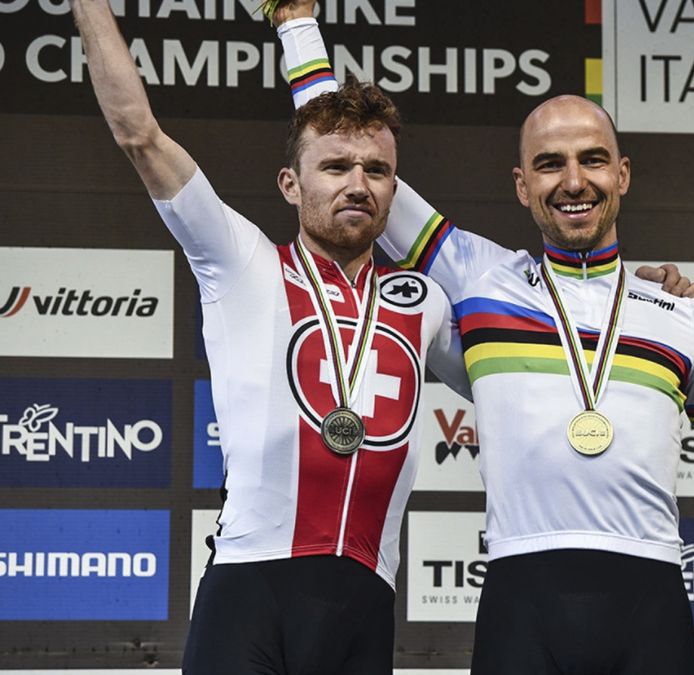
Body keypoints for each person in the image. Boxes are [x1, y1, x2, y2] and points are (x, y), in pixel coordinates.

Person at [267, 5, 694, 674]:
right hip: (520, 600)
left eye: (593, 160)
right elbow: (337, 137)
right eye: (549, 163)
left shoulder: (680, 313)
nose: (573, 181)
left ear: (622, 173)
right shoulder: (478, 277)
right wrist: (296, 21)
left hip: (651, 601)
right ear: (522, 184)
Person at [70, 1, 470, 672]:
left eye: (376, 171)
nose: (357, 183)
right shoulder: (242, 261)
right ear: (291, 183)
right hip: (252, 592)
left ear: (394, 191)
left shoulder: (423, 302)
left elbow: (523, 365)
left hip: (367, 606)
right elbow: (139, 132)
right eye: (335, 166)